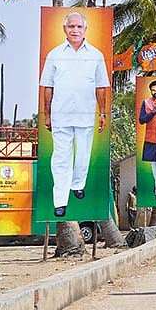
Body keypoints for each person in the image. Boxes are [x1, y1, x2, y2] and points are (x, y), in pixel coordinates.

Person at [38, 11, 110, 217]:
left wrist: (102, 113)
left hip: (86, 115)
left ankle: (78, 184)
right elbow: (48, 86)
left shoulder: (96, 55)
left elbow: (101, 87)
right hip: (61, 115)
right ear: (65, 29)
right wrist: (47, 114)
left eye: (79, 27)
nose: (75, 30)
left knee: (82, 156)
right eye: (71, 26)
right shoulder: (54, 54)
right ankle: (60, 201)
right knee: (61, 158)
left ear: (85, 29)